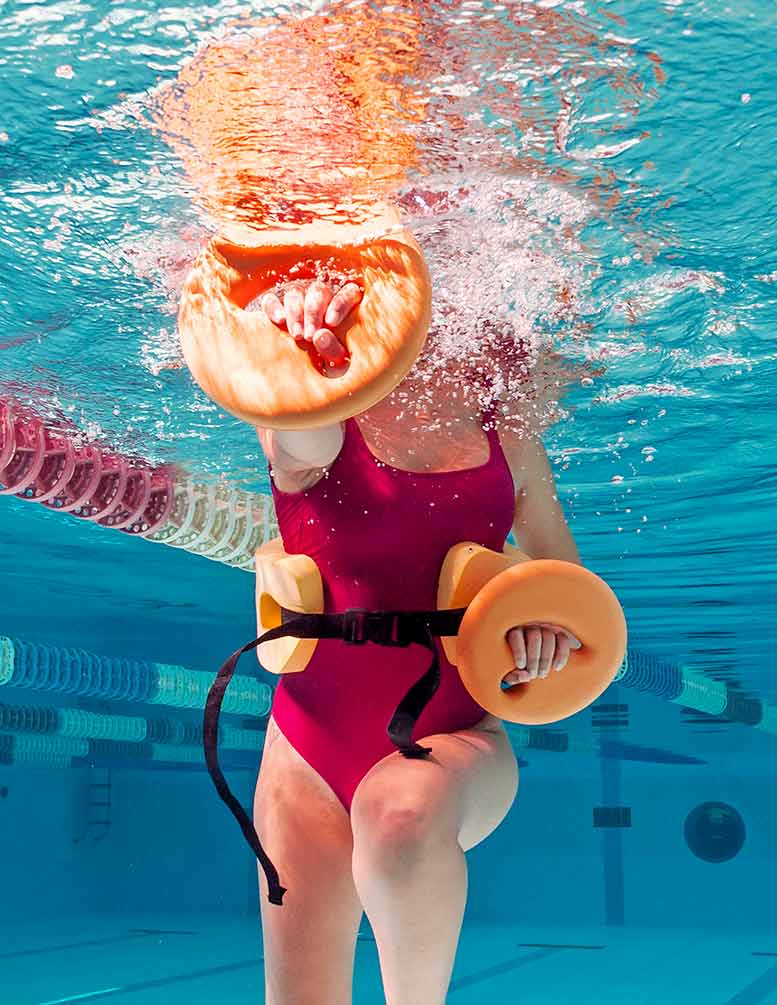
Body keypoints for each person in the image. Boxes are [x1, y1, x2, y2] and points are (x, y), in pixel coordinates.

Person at [244, 277, 584, 1005]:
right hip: (305, 758)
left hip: (458, 745)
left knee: (400, 813)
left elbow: (573, 597)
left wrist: (544, 631)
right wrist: (306, 349)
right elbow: (301, 438)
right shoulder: (313, 395)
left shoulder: (508, 433)